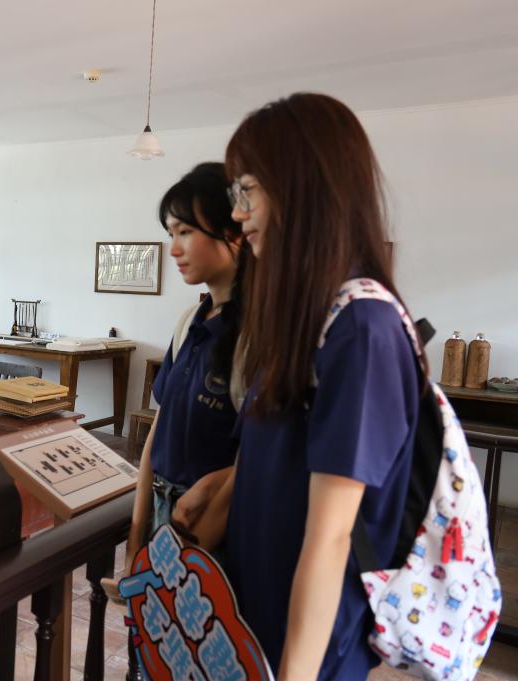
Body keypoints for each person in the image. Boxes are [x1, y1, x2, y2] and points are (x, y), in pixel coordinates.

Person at [181, 93, 427, 681]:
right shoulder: (310, 317)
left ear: (301, 190)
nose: (238, 213)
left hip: (309, 639)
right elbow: (289, 450)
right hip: (260, 610)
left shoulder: (362, 326)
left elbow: (333, 535)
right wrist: (222, 482)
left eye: (248, 191)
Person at [124, 162, 249, 569]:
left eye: (185, 232)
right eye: (170, 234)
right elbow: (158, 430)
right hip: (165, 514)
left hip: (212, 527)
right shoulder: (190, 321)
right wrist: (136, 538)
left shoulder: (257, 335)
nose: (174, 249)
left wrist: (186, 553)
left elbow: (257, 456)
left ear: (234, 232)